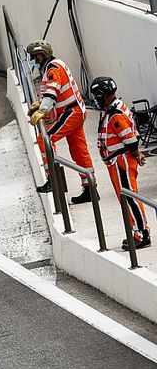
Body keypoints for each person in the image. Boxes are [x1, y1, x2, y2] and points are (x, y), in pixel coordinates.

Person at [26, 40, 94, 204]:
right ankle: (90, 189)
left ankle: (53, 179)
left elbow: (52, 92)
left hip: (71, 112)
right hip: (76, 111)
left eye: (34, 57)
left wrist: (43, 110)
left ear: (42, 56)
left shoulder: (52, 69)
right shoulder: (56, 65)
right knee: (79, 151)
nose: (32, 61)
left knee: (45, 139)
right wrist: (41, 104)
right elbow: (54, 91)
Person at [89, 76, 151, 251]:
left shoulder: (115, 114)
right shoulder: (114, 108)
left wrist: (136, 154)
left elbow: (131, 140)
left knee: (129, 197)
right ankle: (138, 231)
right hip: (118, 161)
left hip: (121, 161)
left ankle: (141, 235)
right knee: (127, 197)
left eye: (97, 95)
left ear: (104, 94)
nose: (95, 98)